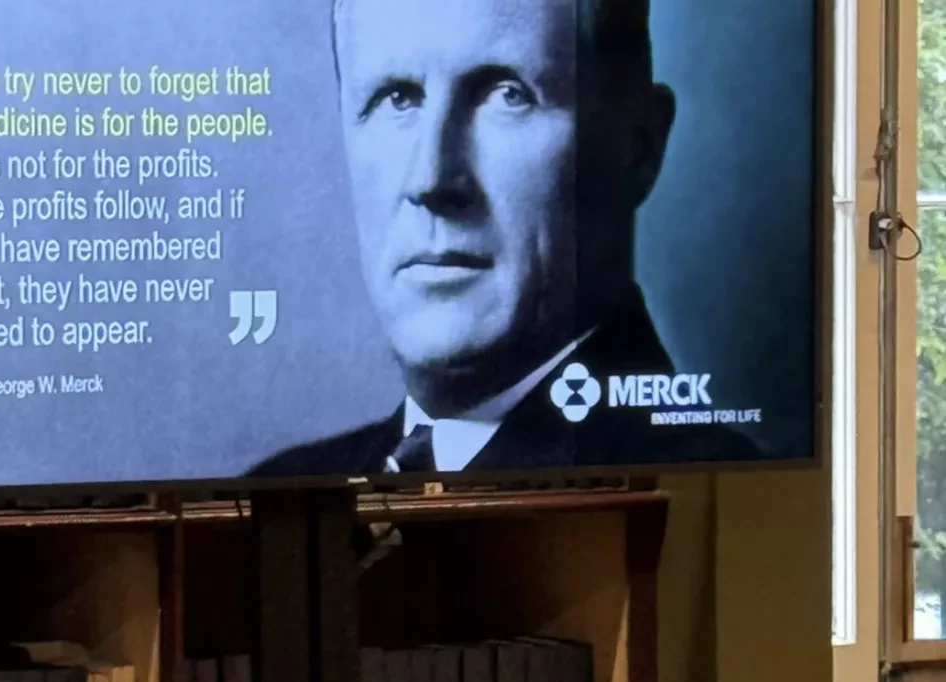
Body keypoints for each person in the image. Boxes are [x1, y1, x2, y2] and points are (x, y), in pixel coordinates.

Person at [254, 0, 758, 477]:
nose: (430, 179)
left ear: (637, 148)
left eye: (507, 94)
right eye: (398, 97)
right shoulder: (281, 488)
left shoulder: (712, 481)